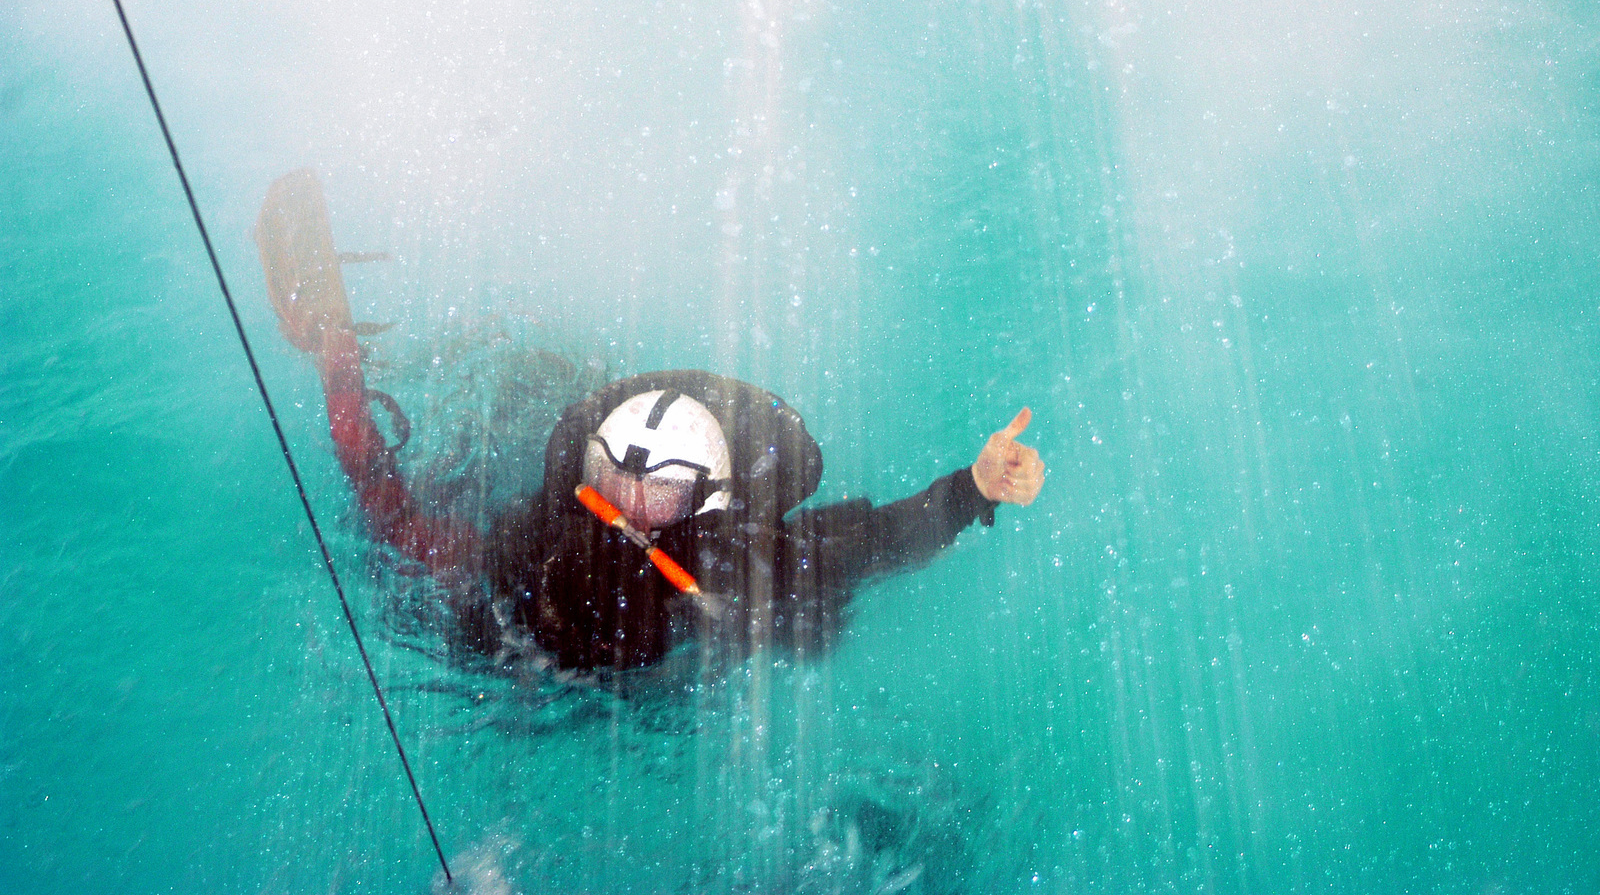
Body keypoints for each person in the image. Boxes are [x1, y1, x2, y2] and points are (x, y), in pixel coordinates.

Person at [255, 171, 1045, 672]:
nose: (623, 509)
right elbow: (401, 529)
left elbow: (874, 541)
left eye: (655, 494)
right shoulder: (529, 549)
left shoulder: (745, 564)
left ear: (709, 503)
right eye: (610, 479)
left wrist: (975, 488)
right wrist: (343, 388)